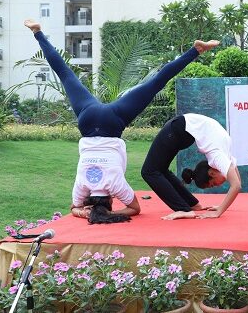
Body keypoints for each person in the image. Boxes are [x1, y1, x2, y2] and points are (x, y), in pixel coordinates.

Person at [24, 20, 219, 223]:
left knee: (155, 83)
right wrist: (85, 212)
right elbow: (75, 207)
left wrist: (110, 215)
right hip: (88, 120)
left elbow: (134, 209)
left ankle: (196, 50)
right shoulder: (82, 185)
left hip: (112, 122)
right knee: (64, 73)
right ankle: (38, 32)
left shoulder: (115, 185)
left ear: (110, 201)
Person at [141, 113, 241, 220]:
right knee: (152, 171)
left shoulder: (221, 156)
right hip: (179, 129)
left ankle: (187, 207)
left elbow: (238, 183)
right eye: (213, 185)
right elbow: (236, 185)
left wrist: (221, 208)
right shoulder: (218, 157)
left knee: (152, 171)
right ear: (211, 173)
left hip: (181, 131)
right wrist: (219, 212)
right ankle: (190, 205)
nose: (217, 185)